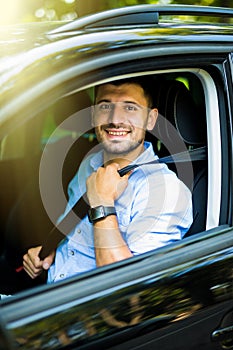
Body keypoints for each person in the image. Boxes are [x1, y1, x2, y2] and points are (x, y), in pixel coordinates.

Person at [23, 78, 193, 283]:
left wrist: (102, 203)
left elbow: (129, 292)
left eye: (130, 107)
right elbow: (71, 237)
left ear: (150, 119)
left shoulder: (166, 191)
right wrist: (49, 253)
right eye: (105, 106)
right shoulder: (89, 163)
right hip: (50, 293)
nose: (115, 119)